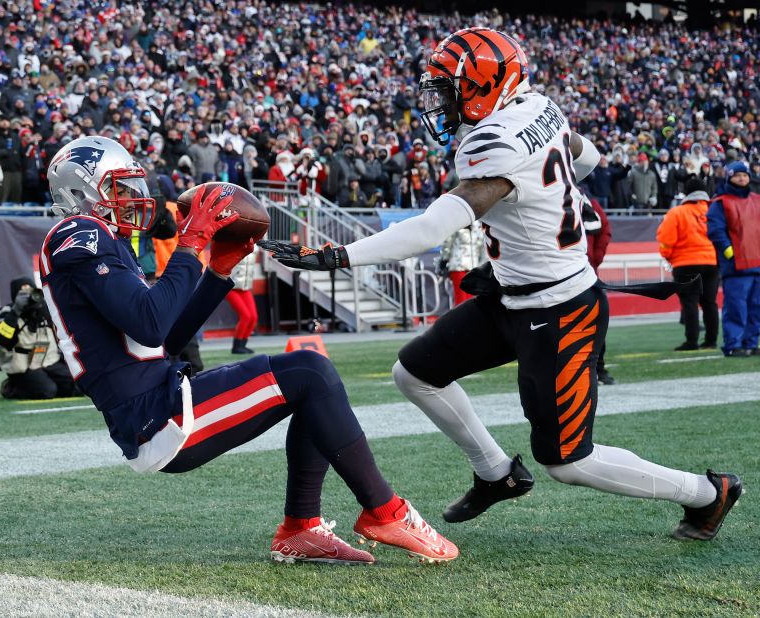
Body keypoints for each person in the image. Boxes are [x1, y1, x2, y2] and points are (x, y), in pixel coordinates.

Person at [261, 27, 742, 542]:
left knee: (568, 461)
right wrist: (552, 191)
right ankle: (496, 473)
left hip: (560, 310)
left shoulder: (496, 143)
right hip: (511, 294)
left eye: (450, 89)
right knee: (415, 373)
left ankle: (708, 493)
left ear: (485, 85)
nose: (440, 101)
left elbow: (430, 228)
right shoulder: (536, 106)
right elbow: (590, 157)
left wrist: (339, 254)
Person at [40, 136, 457, 564]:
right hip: (156, 415)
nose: (133, 198)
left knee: (310, 383)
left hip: (158, 399)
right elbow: (151, 320)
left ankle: (302, 529)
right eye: (119, 188)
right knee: (311, 373)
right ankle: (385, 511)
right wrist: (191, 244)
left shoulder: (98, 240)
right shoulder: (76, 232)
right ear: (82, 192)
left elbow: (160, 340)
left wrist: (217, 272)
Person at [656, 178, 719, 351]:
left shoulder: (677, 212)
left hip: (685, 263)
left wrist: (669, 257)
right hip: (711, 262)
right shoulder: (713, 211)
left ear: (687, 193)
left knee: (690, 302)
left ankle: (692, 341)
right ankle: (711, 341)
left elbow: (666, 239)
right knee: (709, 302)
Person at [0, 277, 76, 400]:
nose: (29, 296)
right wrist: (16, 311)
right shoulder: (7, 312)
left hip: (47, 359)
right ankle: (11, 387)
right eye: (23, 294)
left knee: (77, 385)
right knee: (46, 391)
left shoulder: (43, 309)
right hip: (22, 365)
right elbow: (1, 339)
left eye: (32, 291)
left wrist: (42, 307)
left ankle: (42, 380)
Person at [707, 161, 760, 357]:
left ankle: (751, 343)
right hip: (737, 265)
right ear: (729, 177)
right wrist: (729, 252)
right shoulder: (720, 202)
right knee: (736, 308)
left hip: (757, 264)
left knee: (756, 308)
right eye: (737, 175)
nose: (742, 179)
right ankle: (733, 344)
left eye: (744, 175)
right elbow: (715, 231)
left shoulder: (757, 199)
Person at [581, 196, 616, 384]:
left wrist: (595, 257)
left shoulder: (589, 202)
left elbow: (604, 230)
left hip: (586, 273)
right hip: (558, 276)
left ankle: (599, 368)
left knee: (597, 323)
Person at [227, 244, 259, 354]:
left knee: (253, 317)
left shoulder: (255, 243)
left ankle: (243, 345)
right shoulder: (236, 241)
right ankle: (236, 346)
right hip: (231, 286)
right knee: (246, 316)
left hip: (245, 287)